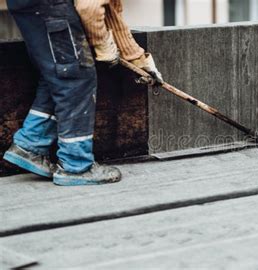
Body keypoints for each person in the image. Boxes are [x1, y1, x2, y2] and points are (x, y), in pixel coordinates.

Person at [3, 0, 159, 185]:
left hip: (33, 6)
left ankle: (31, 144)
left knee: (58, 73)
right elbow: (90, 7)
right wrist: (102, 44)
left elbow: (109, 8)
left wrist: (138, 58)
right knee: (76, 77)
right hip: (50, 6)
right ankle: (76, 165)